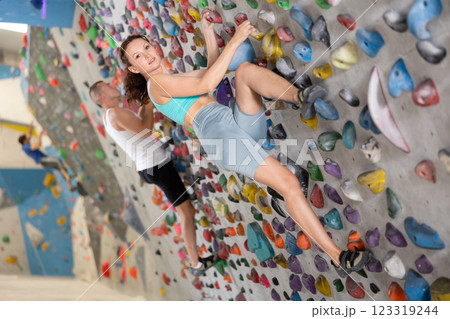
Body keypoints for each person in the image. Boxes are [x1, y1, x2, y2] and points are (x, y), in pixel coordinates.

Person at [118, 10, 373, 277]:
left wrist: (208, 33)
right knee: (289, 183)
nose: (148, 54)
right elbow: (209, 81)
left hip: (232, 121)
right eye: (138, 56)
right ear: (135, 68)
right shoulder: (156, 84)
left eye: (146, 46)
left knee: (245, 72)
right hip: (222, 138)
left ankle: (302, 98)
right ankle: (337, 256)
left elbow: (210, 74)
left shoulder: (170, 76)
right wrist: (236, 39)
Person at [89, 80, 218, 276]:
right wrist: (148, 103)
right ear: (101, 97)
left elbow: (139, 127)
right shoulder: (114, 113)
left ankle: (195, 262)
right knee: (186, 212)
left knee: (186, 210)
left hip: (151, 167)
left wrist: (144, 105)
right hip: (155, 167)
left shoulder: (110, 115)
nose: (111, 84)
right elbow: (146, 129)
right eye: (106, 85)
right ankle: (195, 263)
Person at [18, 121, 74, 191]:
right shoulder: (25, 147)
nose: (28, 139)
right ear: (24, 141)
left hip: (44, 159)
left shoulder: (26, 144)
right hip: (42, 160)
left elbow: (29, 134)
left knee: (61, 168)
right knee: (57, 161)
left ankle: (69, 185)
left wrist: (31, 125)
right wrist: (40, 135)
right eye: (27, 139)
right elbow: (38, 145)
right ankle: (67, 177)